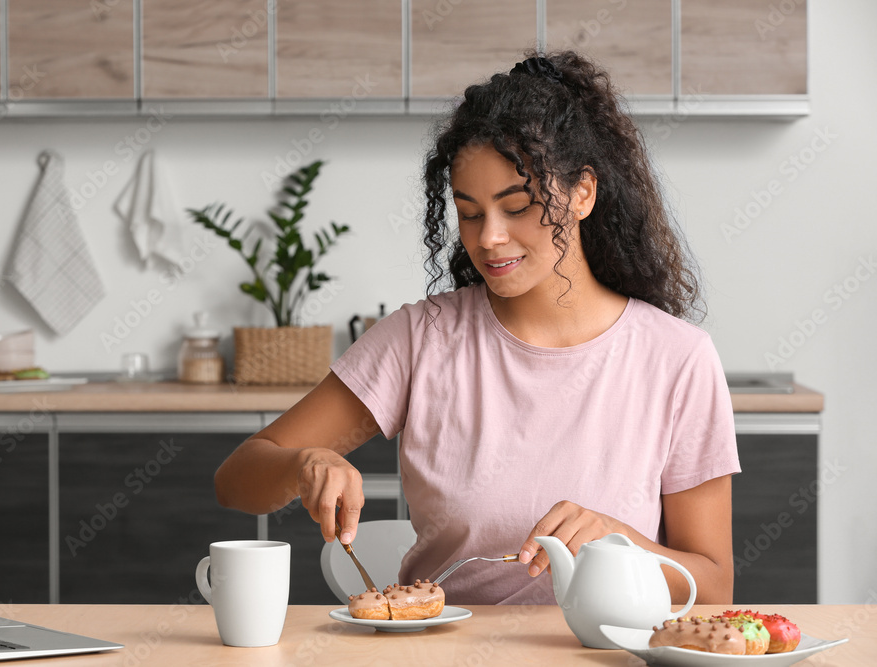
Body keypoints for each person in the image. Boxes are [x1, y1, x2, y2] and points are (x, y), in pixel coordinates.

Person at [215, 50, 740, 606]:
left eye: (516, 207)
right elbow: (236, 480)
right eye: (469, 212)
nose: (488, 237)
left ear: (583, 192)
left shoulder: (678, 358)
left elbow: (715, 588)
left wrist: (627, 544)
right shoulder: (423, 339)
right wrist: (303, 463)